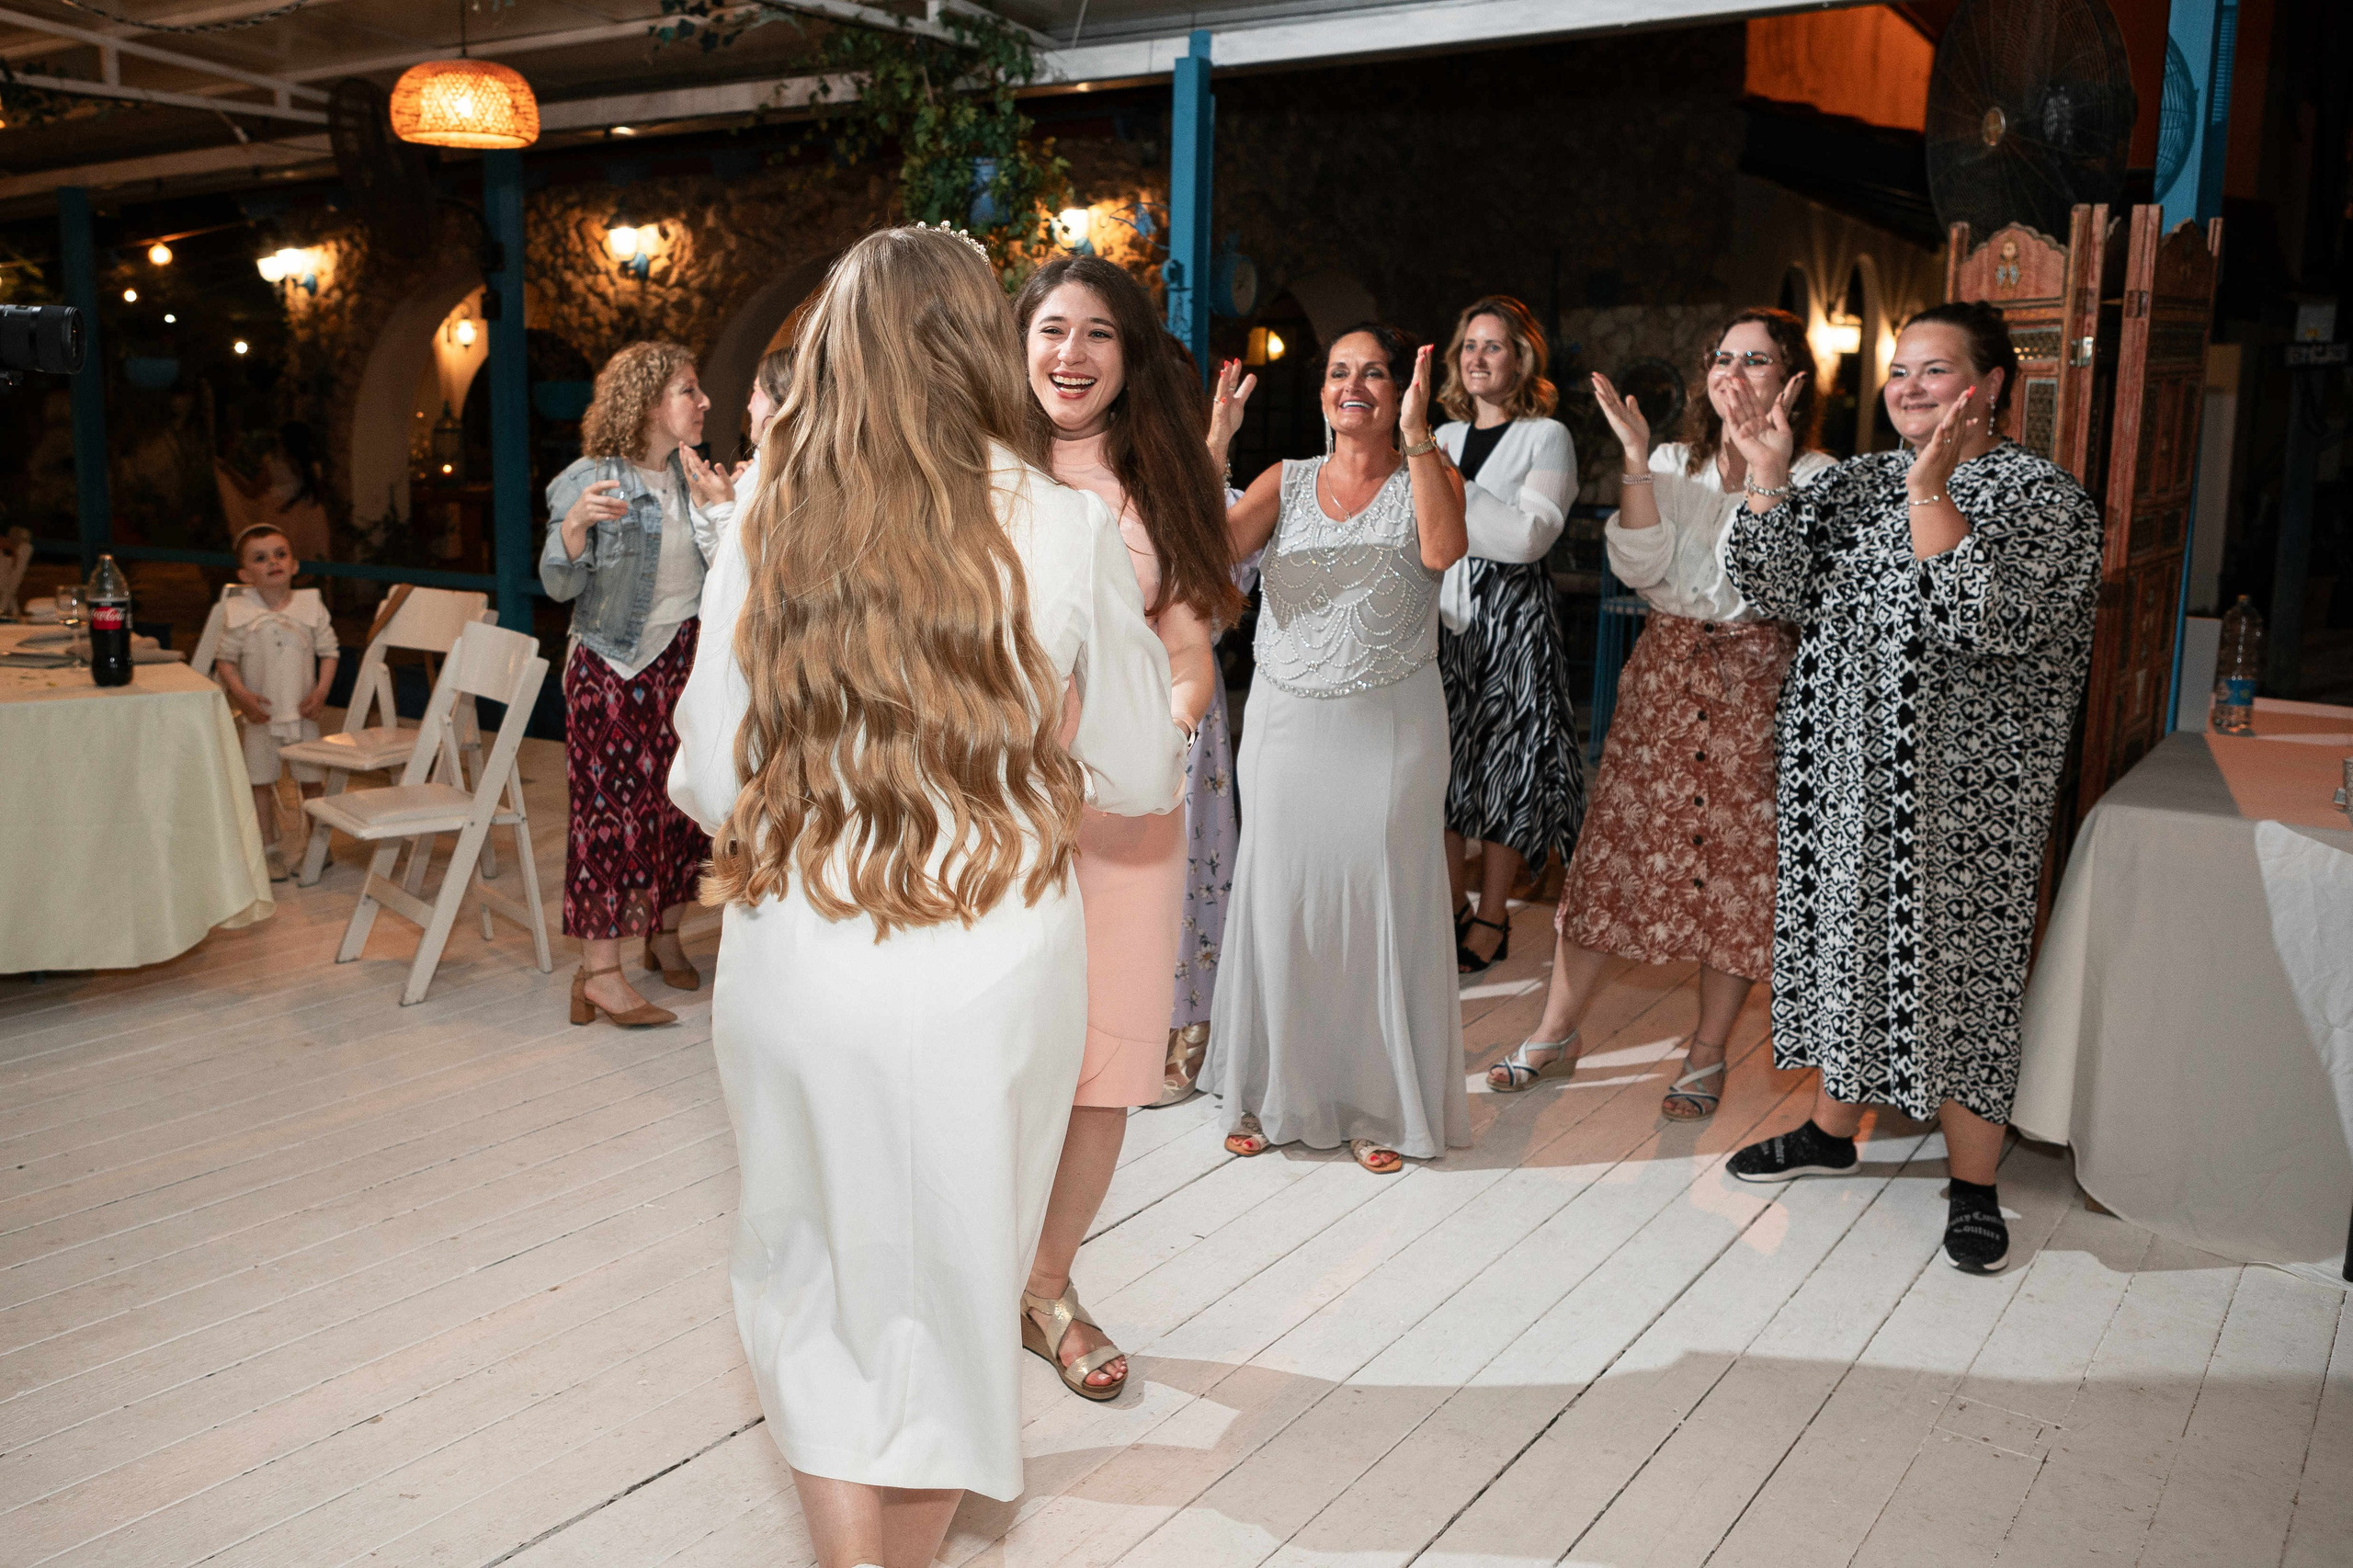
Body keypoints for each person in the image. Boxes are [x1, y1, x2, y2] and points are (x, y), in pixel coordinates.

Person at [666, 223, 1187, 1566]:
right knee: (958, 1286)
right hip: (993, 958)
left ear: (839, 354)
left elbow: (711, 775)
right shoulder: (1064, 524)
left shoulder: (767, 517)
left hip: (803, 950)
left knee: (812, 1285)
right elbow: (1139, 771)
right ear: (981, 351)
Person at [1719, 301, 2102, 1276]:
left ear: (1991, 386)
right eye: (1899, 371)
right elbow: (1770, 586)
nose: (1910, 388)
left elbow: (1987, 621)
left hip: (1964, 803)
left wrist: (1932, 491)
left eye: (1935, 369)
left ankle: (1973, 1184)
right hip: (1843, 780)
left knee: (1963, 975)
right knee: (1847, 951)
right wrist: (1767, 476)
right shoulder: (1857, 482)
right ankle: (1829, 1131)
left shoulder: (2042, 499)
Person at [1495, 308, 1833, 1119]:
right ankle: (1554, 1031)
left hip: (1756, 682)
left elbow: (1784, 585)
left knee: (1739, 872)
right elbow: (1641, 568)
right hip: (1665, 674)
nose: (1732, 373)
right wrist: (1637, 460)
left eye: (1755, 360)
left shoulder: (1819, 475)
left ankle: (1707, 1052)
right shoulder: (1676, 462)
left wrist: (1768, 469)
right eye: (1723, 357)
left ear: (1792, 379)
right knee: (1615, 852)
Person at [1012, 256, 1244, 1401]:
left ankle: (1045, 1286)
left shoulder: (1163, 478)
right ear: (1016, 344)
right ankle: (961, 1276)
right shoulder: (972, 469)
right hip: (997, 812)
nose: (1072, 353)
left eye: (1097, 332)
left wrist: (1157, 735)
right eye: (1052, 328)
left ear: (1128, 354)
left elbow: (1189, 652)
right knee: (990, 1051)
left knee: (1104, 1070)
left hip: (1120, 817)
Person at [1205, 324, 1470, 1176]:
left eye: (1374, 373)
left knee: (1378, 905)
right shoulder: (1285, 481)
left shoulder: (1432, 472)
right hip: (1285, 728)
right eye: (1338, 372)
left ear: (1403, 391)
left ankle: (1377, 1104)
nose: (1352, 386)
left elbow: (1443, 550)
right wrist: (1217, 445)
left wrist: (1420, 437)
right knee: (1283, 902)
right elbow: (1203, 560)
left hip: (1390, 732)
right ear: (1322, 391)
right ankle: (1270, 1092)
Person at [541, 340, 737, 1028]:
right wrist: (572, 528)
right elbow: (556, 584)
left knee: (681, 810)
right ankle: (599, 974)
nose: (703, 401)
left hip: (684, 663)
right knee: (609, 821)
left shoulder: (696, 477)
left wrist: (728, 507)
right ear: (650, 402)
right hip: (612, 669)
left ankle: (665, 935)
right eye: (688, 390)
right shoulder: (588, 479)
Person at [1431, 296, 1586, 974]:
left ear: (1521, 359)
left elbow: (1529, 538)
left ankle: (1492, 917)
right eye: (1469, 346)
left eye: (1493, 346)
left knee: (1505, 773)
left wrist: (1452, 492)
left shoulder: (1546, 437)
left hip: (1514, 623)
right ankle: (1449, 908)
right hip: (1444, 618)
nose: (1478, 358)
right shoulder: (1442, 435)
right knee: (1440, 771)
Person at [212, 523, 337, 882]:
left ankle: (319, 846)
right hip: (261, 715)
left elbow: (330, 652)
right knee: (260, 781)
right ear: (244, 574)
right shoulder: (238, 611)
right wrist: (243, 696)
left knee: (311, 779)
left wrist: (320, 693)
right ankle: (266, 848)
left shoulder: (310, 606)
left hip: (302, 711)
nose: (273, 562)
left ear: (294, 564)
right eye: (260, 558)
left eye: (280, 554)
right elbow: (225, 660)